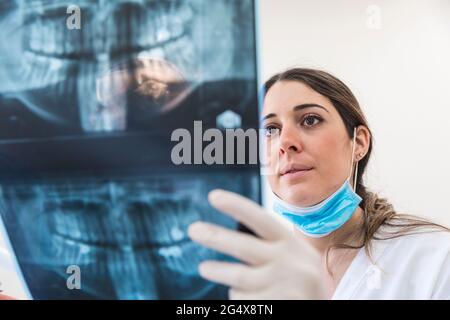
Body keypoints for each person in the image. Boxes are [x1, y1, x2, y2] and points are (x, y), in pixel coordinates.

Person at [188, 68, 450, 300]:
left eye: (310, 120)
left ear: (358, 142)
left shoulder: (435, 258)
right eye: (270, 129)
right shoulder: (247, 275)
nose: (285, 142)